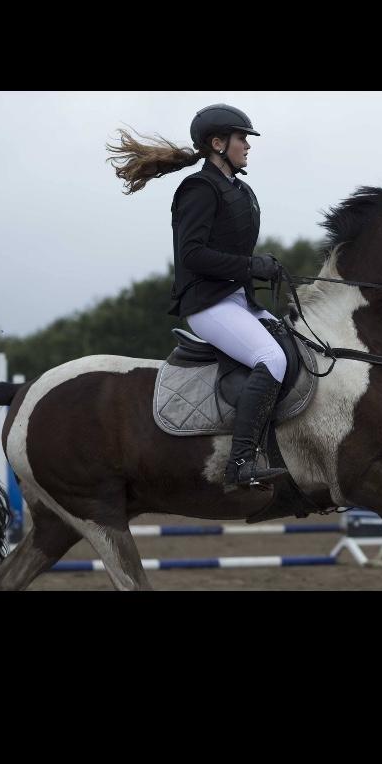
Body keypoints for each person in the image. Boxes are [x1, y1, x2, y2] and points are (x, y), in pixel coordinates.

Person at [107, 104, 288, 494]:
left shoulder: (239, 189)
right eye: (242, 139)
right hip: (209, 304)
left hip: (239, 299)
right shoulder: (199, 188)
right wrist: (251, 265)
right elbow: (191, 255)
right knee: (271, 358)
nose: (247, 146)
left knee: (295, 345)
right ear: (217, 143)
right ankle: (240, 463)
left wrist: (258, 268)